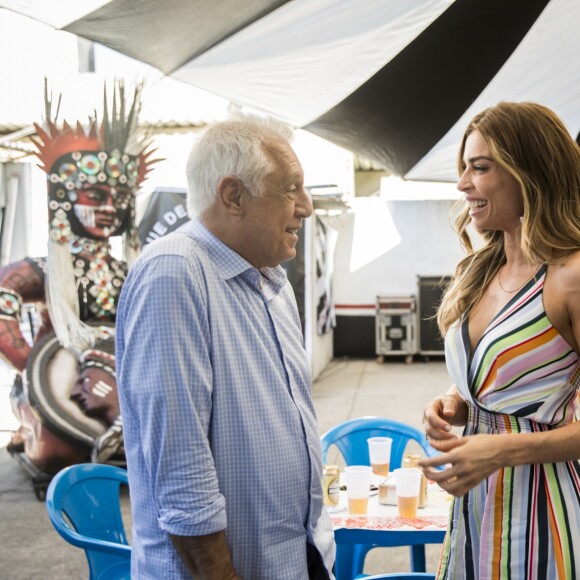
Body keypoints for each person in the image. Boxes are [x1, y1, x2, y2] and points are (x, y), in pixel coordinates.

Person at [115, 115, 335, 579]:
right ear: (233, 195)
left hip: (293, 559)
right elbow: (180, 470)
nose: (307, 207)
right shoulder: (175, 272)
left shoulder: (272, 279)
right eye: (290, 189)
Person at [419, 101, 580, 579]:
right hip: (475, 512)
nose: (462, 184)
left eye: (480, 168)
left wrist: (500, 450)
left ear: (531, 173)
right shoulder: (477, 270)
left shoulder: (570, 278)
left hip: (545, 514)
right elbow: (503, 383)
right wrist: (455, 403)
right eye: (463, 167)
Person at [2, 80, 155, 478]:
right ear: (66, 200)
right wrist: (30, 361)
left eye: (119, 200)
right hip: (64, 380)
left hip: (124, 371)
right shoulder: (43, 270)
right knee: (57, 453)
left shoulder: (131, 273)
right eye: (96, 196)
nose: (110, 208)